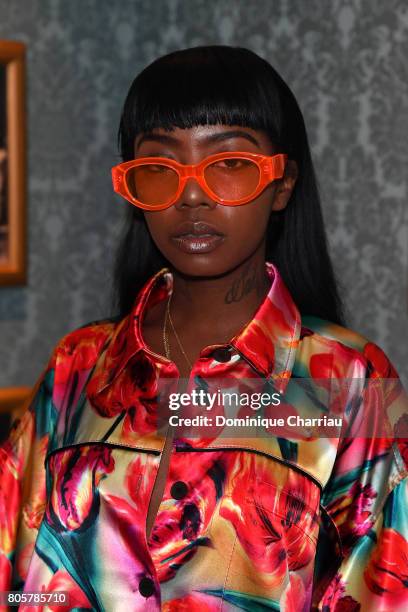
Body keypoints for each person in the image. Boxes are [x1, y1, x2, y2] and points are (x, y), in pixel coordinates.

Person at [1, 45, 407, 611]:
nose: (191, 195)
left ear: (282, 182)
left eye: (230, 164)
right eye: (160, 169)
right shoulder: (79, 366)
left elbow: (383, 589)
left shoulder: (352, 382)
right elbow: (17, 575)